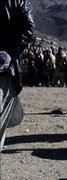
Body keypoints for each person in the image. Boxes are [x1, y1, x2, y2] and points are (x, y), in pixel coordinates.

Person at [0, 0, 35, 152]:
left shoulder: (16, 2)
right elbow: (28, 30)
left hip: (3, 68)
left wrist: (9, 54)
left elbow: (28, 30)